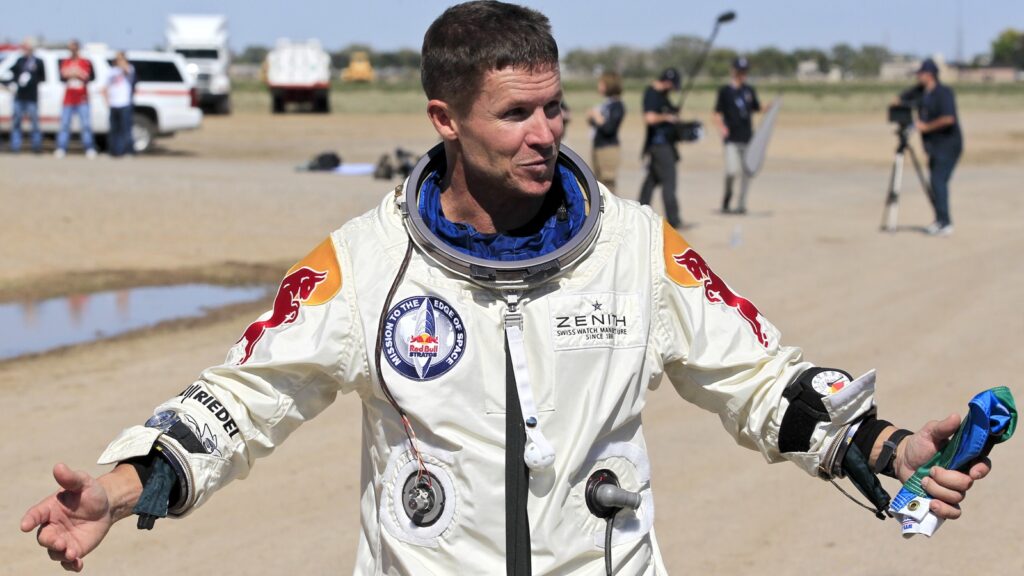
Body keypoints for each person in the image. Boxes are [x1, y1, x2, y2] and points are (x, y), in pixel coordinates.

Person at [22, 3, 992, 574]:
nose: (545, 134)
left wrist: (889, 443)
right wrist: (122, 487)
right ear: (444, 117)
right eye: (515, 114)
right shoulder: (363, 261)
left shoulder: (634, 246)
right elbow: (244, 397)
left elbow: (758, 378)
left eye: (554, 107)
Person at [898, 58, 962, 236]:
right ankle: (940, 219)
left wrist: (926, 126)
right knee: (937, 183)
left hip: (948, 144)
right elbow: (900, 98)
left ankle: (945, 223)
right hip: (933, 146)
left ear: (930, 75)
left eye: (921, 73)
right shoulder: (921, 92)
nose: (918, 76)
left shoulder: (943, 93)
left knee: (938, 181)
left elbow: (949, 118)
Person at [713, 56, 761, 214]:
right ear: (733, 71)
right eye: (740, 71)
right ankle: (727, 198)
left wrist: (772, 108)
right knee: (732, 171)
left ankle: (741, 204)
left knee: (747, 172)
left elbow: (757, 108)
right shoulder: (725, 91)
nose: (742, 74)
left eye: (745, 71)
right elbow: (717, 113)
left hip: (748, 138)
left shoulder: (749, 91)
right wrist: (722, 128)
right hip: (731, 139)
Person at [638, 67, 683, 228]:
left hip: (664, 145)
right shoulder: (651, 94)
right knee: (669, 181)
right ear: (668, 82)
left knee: (652, 180)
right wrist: (668, 117)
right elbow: (649, 118)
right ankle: (674, 219)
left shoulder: (664, 96)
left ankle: (640, 212)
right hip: (660, 146)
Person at [55, 40, 97, 159]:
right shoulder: (66, 61)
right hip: (68, 98)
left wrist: (75, 72)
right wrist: (73, 72)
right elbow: (63, 75)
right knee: (64, 124)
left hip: (82, 98)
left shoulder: (85, 62)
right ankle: (61, 147)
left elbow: (87, 75)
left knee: (86, 124)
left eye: (74, 47)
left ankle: (89, 147)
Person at [587, 71, 625, 193]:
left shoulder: (617, 105)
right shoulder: (606, 104)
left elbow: (609, 128)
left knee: (608, 185)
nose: (599, 86)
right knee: (597, 184)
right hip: (598, 146)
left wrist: (597, 117)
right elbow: (597, 124)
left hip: (608, 149)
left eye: (601, 84)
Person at [6, 37, 44, 154]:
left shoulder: (38, 62)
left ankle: (36, 147)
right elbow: (10, 73)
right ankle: (15, 147)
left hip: (32, 97)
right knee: (16, 123)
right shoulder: (19, 61)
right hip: (19, 97)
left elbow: (42, 77)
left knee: (35, 123)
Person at [104, 51, 135, 157]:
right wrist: (107, 100)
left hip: (125, 103)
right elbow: (105, 87)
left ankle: (128, 151)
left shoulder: (129, 68)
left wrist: (122, 60)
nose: (118, 60)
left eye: (120, 58)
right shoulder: (111, 71)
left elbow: (127, 71)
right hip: (113, 104)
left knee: (126, 129)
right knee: (114, 130)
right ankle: (115, 152)